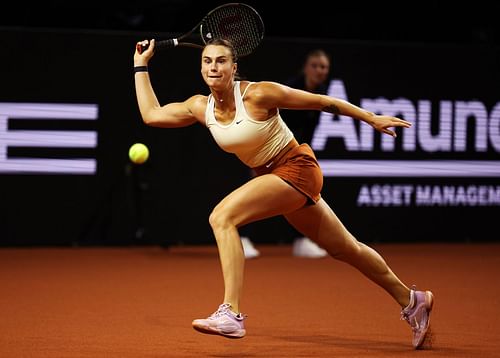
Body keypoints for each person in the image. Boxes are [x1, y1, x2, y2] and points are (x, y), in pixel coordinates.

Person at [133, 38, 434, 349]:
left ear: (234, 68)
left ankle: (231, 314)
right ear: (201, 68)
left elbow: (322, 101)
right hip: (273, 178)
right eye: (207, 61)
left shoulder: (259, 93)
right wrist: (140, 64)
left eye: (221, 61)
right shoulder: (200, 106)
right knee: (346, 248)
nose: (214, 67)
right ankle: (413, 300)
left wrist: (371, 118)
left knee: (222, 217)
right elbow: (152, 115)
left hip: (297, 168)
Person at [241, 49, 333, 259]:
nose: (320, 70)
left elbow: (308, 131)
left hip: (293, 150)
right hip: (267, 147)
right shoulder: (291, 89)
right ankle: (242, 238)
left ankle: (300, 241)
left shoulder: (322, 90)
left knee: (296, 196)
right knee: (255, 195)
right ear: (306, 68)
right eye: (316, 65)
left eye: (324, 67)